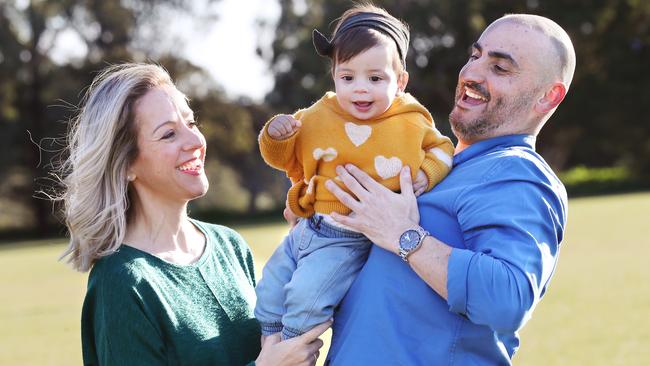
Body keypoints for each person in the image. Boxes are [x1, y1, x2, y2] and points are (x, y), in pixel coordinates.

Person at [322, 13, 576, 365]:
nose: (471, 74)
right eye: (475, 56)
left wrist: (404, 235)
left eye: (500, 68)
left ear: (548, 96)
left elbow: (507, 298)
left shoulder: (517, 172)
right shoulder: (437, 166)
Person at [56, 63, 329, 366]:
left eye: (191, 123)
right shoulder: (121, 284)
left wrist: (305, 248)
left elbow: (276, 339)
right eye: (169, 134)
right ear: (126, 164)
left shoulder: (230, 246)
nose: (195, 142)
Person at [254, 4, 454, 340]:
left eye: (375, 78)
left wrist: (428, 173)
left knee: (306, 300)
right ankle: (268, 344)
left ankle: (295, 349)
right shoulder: (318, 116)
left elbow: (443, 148)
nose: (360, 88)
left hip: (348, 238)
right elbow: (282, 157)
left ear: (401, 81)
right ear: (334, 75)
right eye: (348, 77)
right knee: (270, 290)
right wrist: (276, 134)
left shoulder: (411, 120)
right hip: (306, 226)